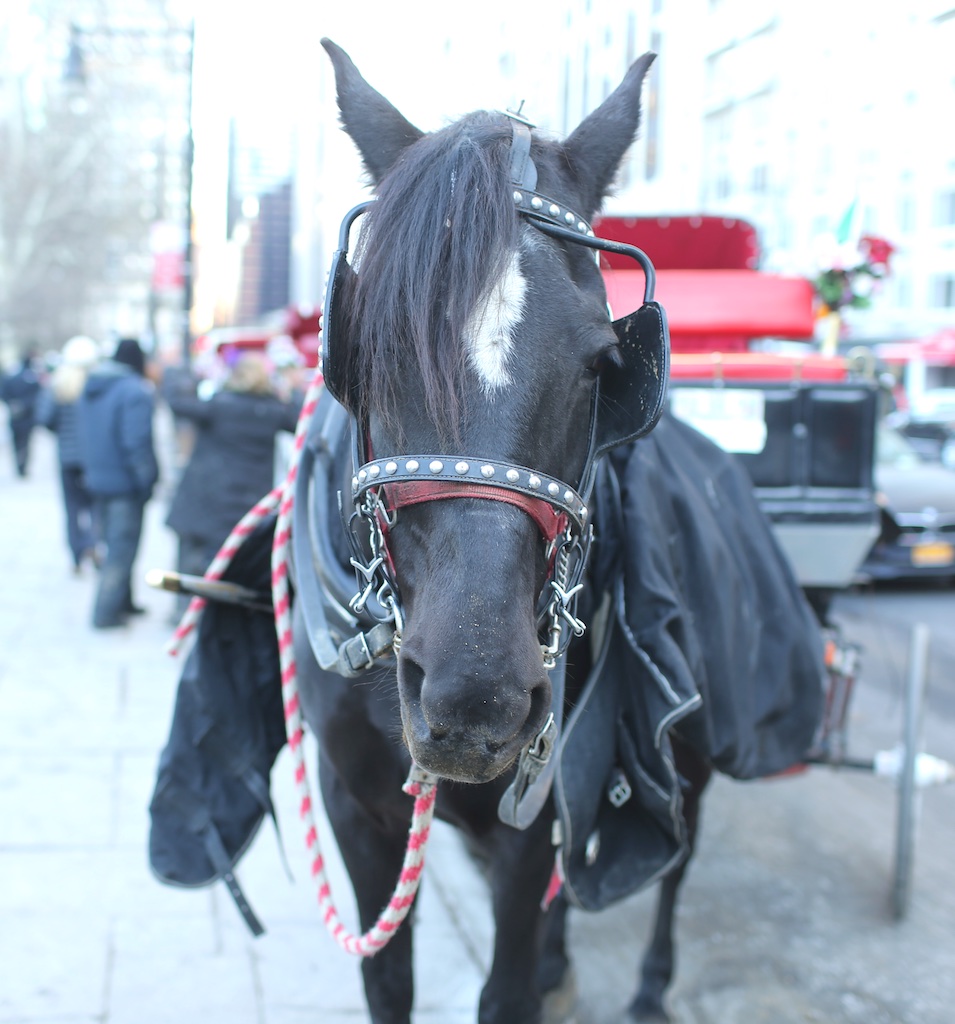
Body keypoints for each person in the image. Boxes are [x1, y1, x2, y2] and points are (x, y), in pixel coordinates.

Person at [163, 352, 302, 606]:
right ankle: (222, 610)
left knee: (192, 556)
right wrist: (291, 390)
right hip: (247, 499)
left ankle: (184, 610)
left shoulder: (218, 405)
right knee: (232, 561)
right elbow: (301, 421)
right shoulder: (272, 411)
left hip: (206, 494)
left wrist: (177, 371)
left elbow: (178, 403)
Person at [77, 338, 159, 629]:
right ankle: (106, 613)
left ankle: (123, 601)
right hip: (124, 482)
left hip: (98, 477)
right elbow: (135, 441)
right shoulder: (134, 390)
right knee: (122, 549)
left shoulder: (93, 385)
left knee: (114, 543)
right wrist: (147, 479)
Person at [35, 336, 102, 573]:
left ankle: (77, 552)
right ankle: (93, 543)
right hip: (92, 456)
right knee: (95, 505)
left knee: (72, 508)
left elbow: (44, 418)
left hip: (67, 457)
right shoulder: (96, 384)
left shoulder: (57, 384)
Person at [1, 350, 42, 477]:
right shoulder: (31, 377)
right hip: (25, 416)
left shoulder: (13, 376)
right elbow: (37, 396)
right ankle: (22, 466)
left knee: (17, 442)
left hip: (17, 415)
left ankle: (20, 466)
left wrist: (12, 404)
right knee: (25, 442)